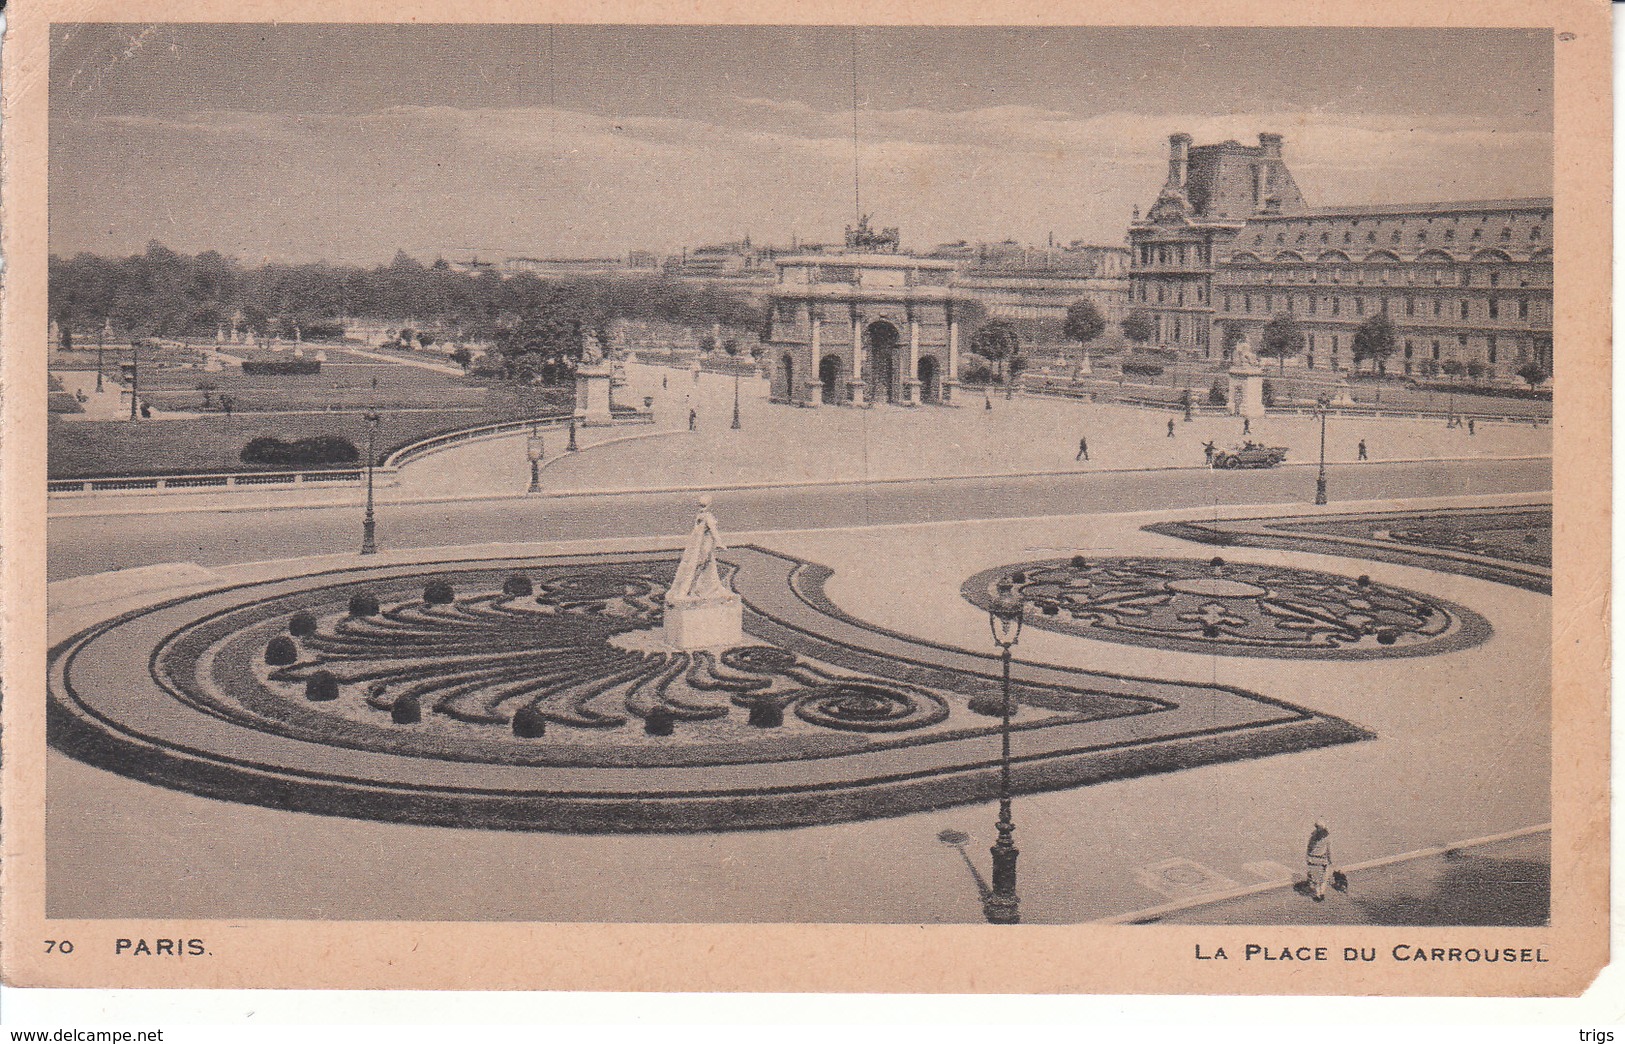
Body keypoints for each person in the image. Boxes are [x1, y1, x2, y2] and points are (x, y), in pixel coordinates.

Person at [1306, 821, 1333, 901]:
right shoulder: (1327, 839)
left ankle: (1317, 894)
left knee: (1315, 880)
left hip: (1313, 860)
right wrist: (1330, 860)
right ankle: (1322, 893)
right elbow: (1328, 851)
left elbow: (1309, 848)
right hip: (1322, 860)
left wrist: (1307, 858)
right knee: (1324, 878)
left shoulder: (1312, 837)